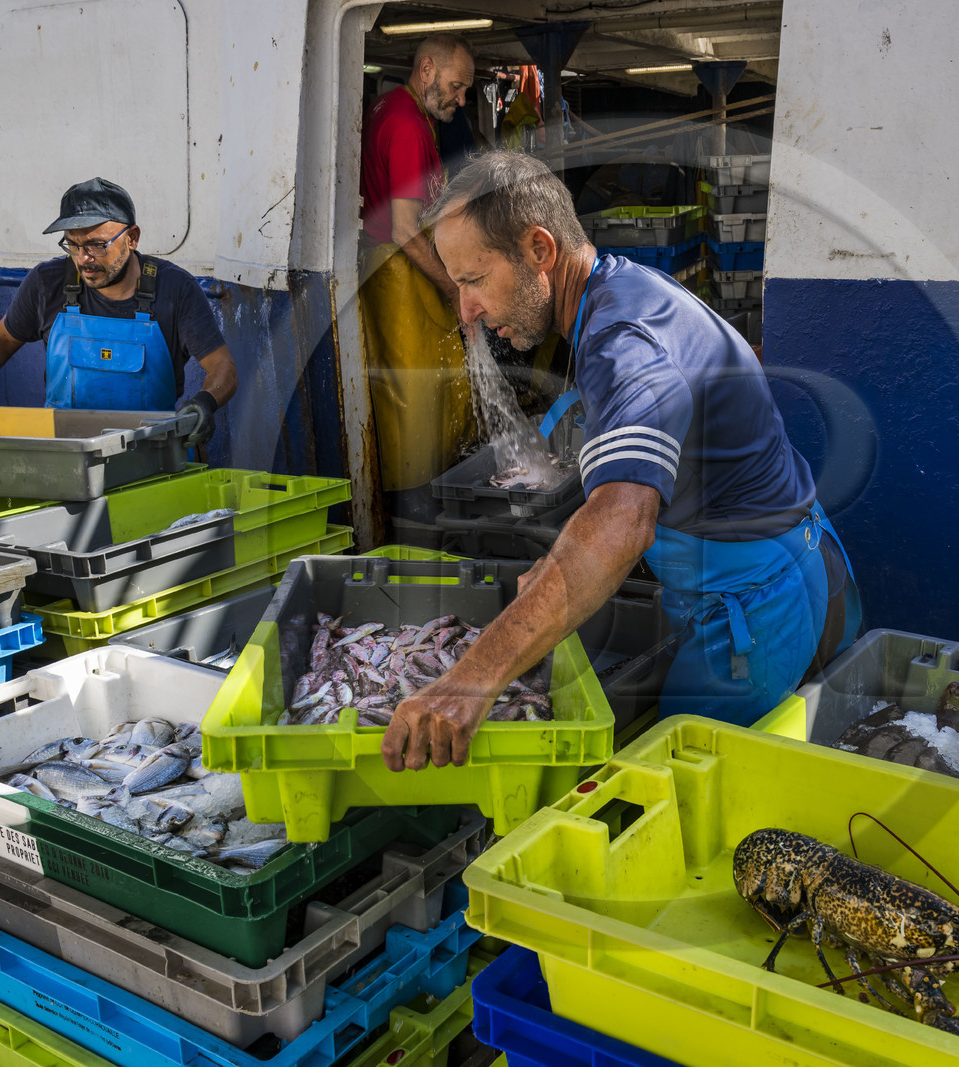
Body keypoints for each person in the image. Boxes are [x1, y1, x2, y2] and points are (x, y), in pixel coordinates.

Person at [381, 150, 864, 772]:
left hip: (756, 609)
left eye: (473, 282)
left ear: (539, 249)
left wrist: (467, 682)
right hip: (798, 559)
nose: (466, 310)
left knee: (682, 810)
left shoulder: (621, 341)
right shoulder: (617, 287)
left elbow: (623, 520)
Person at [0, 178, 236, 443]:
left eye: (96, 244)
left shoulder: (175, 289)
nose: (84, 258)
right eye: (73, 245)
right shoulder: (48, 283)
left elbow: (222, 366)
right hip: (62, 454)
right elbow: (1, 340)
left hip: (150, 452)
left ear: (131, 237)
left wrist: (205, 403)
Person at [358, 34, 477, 497]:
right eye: (456, 86)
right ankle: (418, 507)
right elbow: (405, 230)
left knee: (408, 403)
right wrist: (453, 289)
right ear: (426, 69)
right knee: (417, 408)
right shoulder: (408, 125)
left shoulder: (391, 106)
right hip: (401, 281)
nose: (461, 98)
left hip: (391, 276)